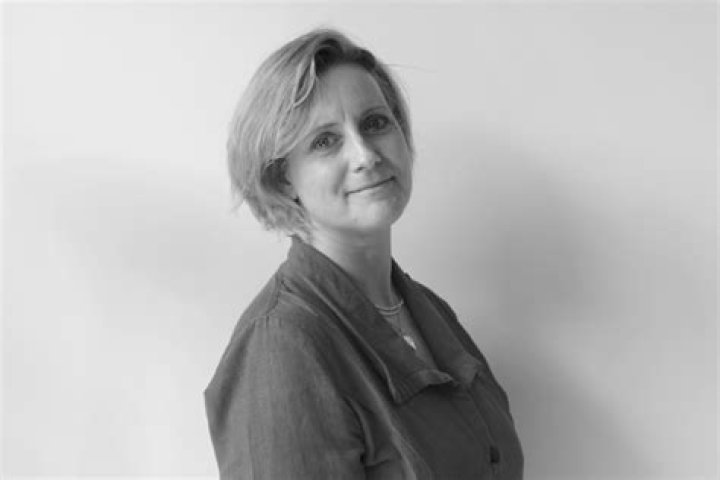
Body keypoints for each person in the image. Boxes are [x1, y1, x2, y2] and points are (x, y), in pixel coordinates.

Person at [203, 28, 524, 479]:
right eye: (324, 141)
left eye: (375, 123)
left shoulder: (430, 311)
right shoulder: (281, 347)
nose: (365, 155)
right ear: (282, 178)